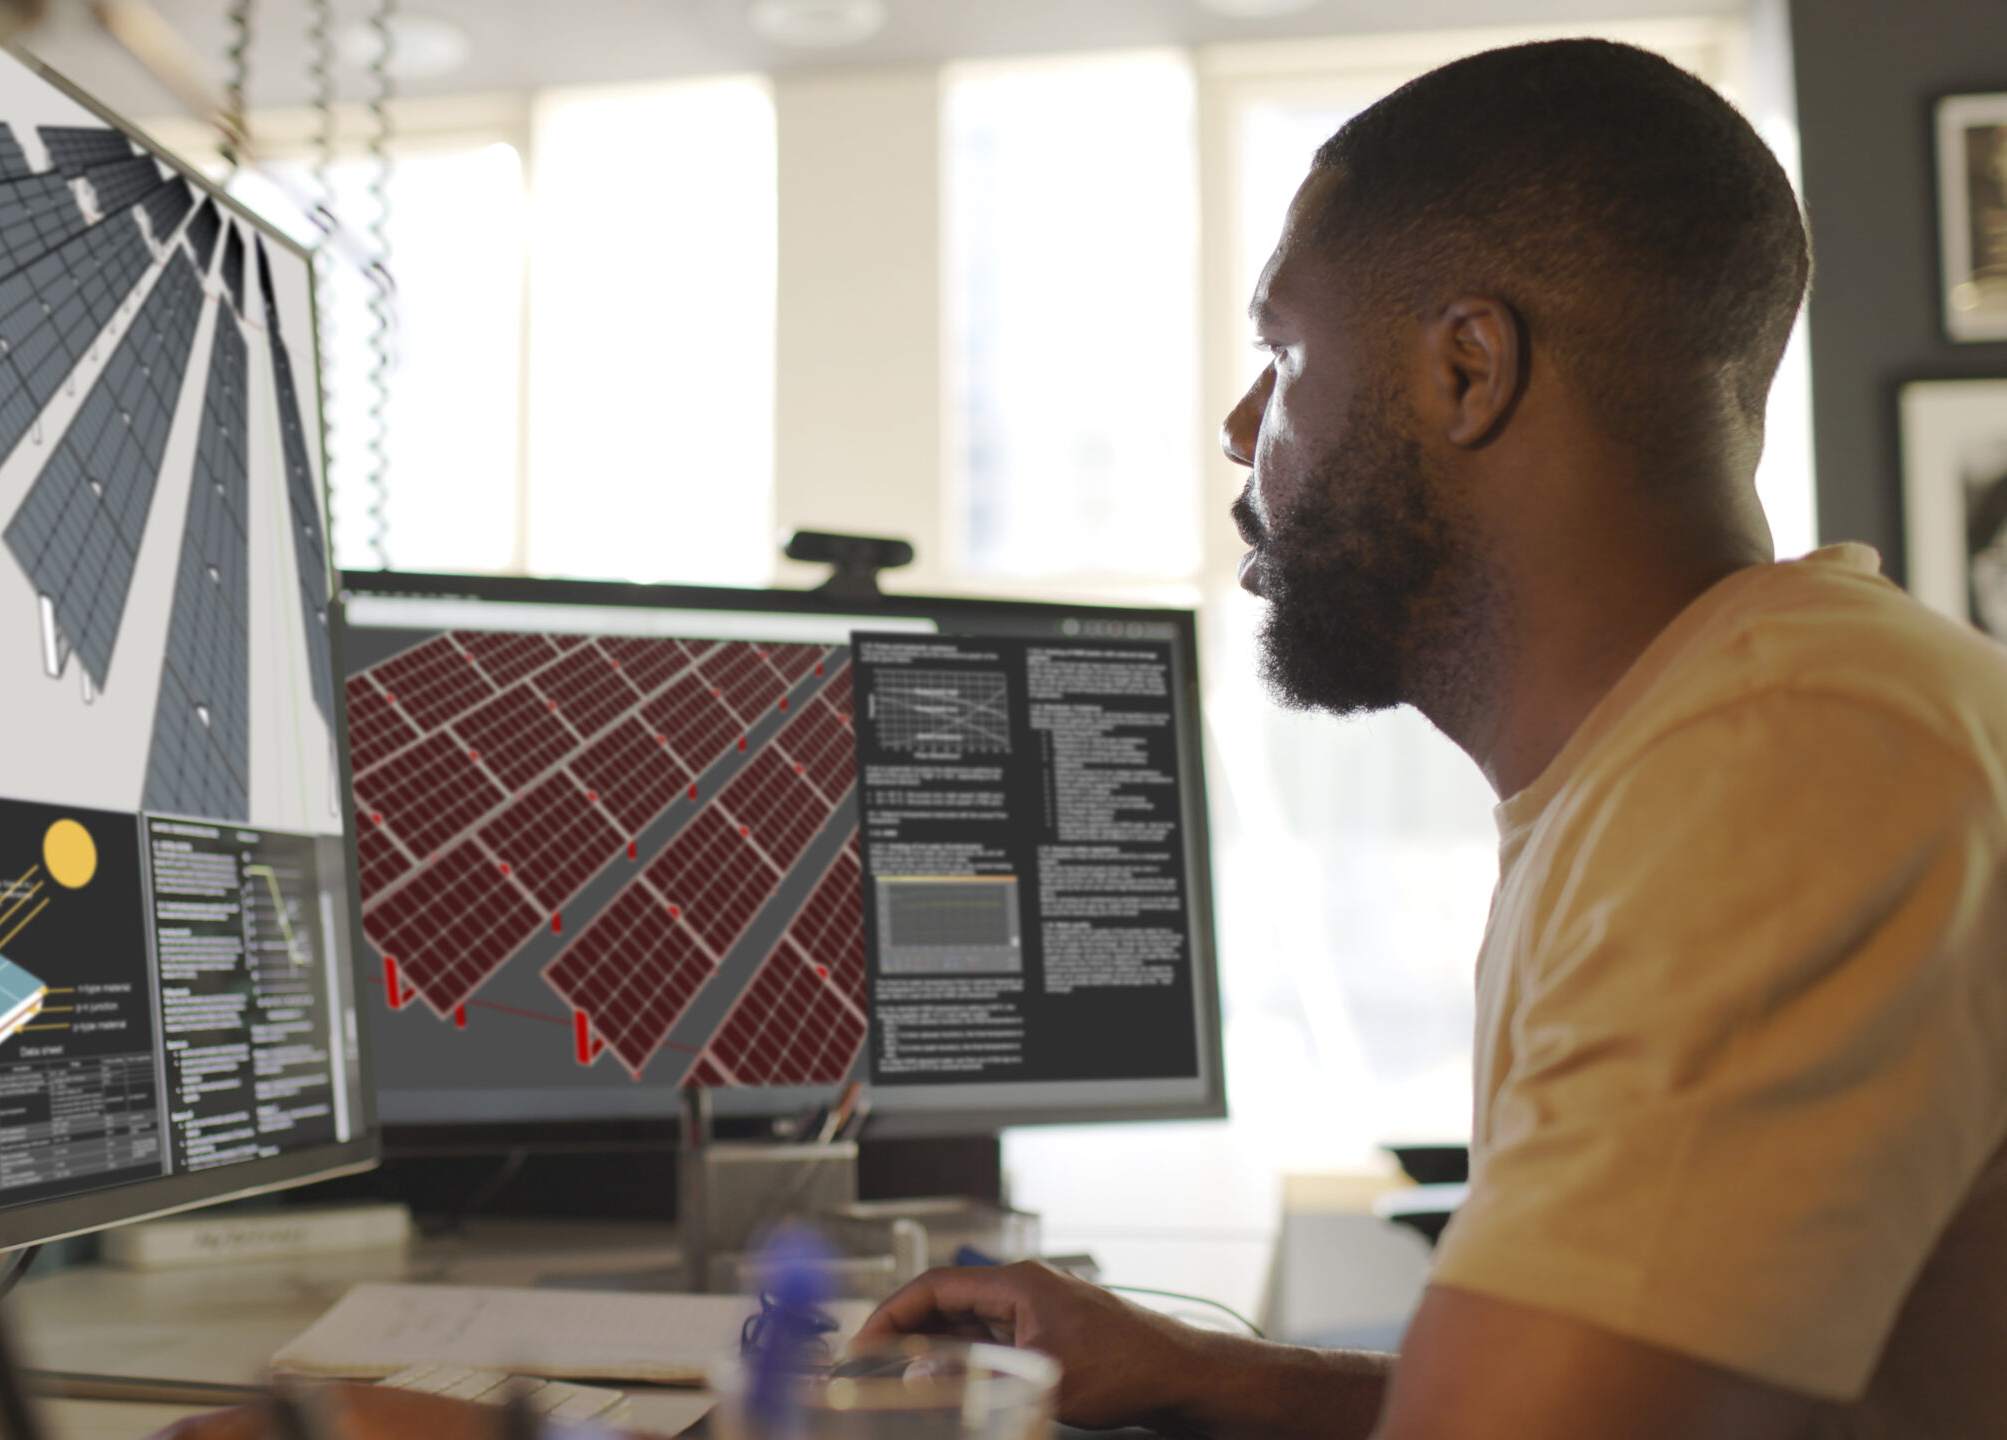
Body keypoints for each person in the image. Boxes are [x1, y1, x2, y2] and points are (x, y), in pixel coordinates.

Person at [860, 38, 2007, 1440]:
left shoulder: (1779, 764)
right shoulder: (1698, 742)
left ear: (1470, 368)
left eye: (1281, 353)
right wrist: (1224, 1377)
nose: (1238, 427)